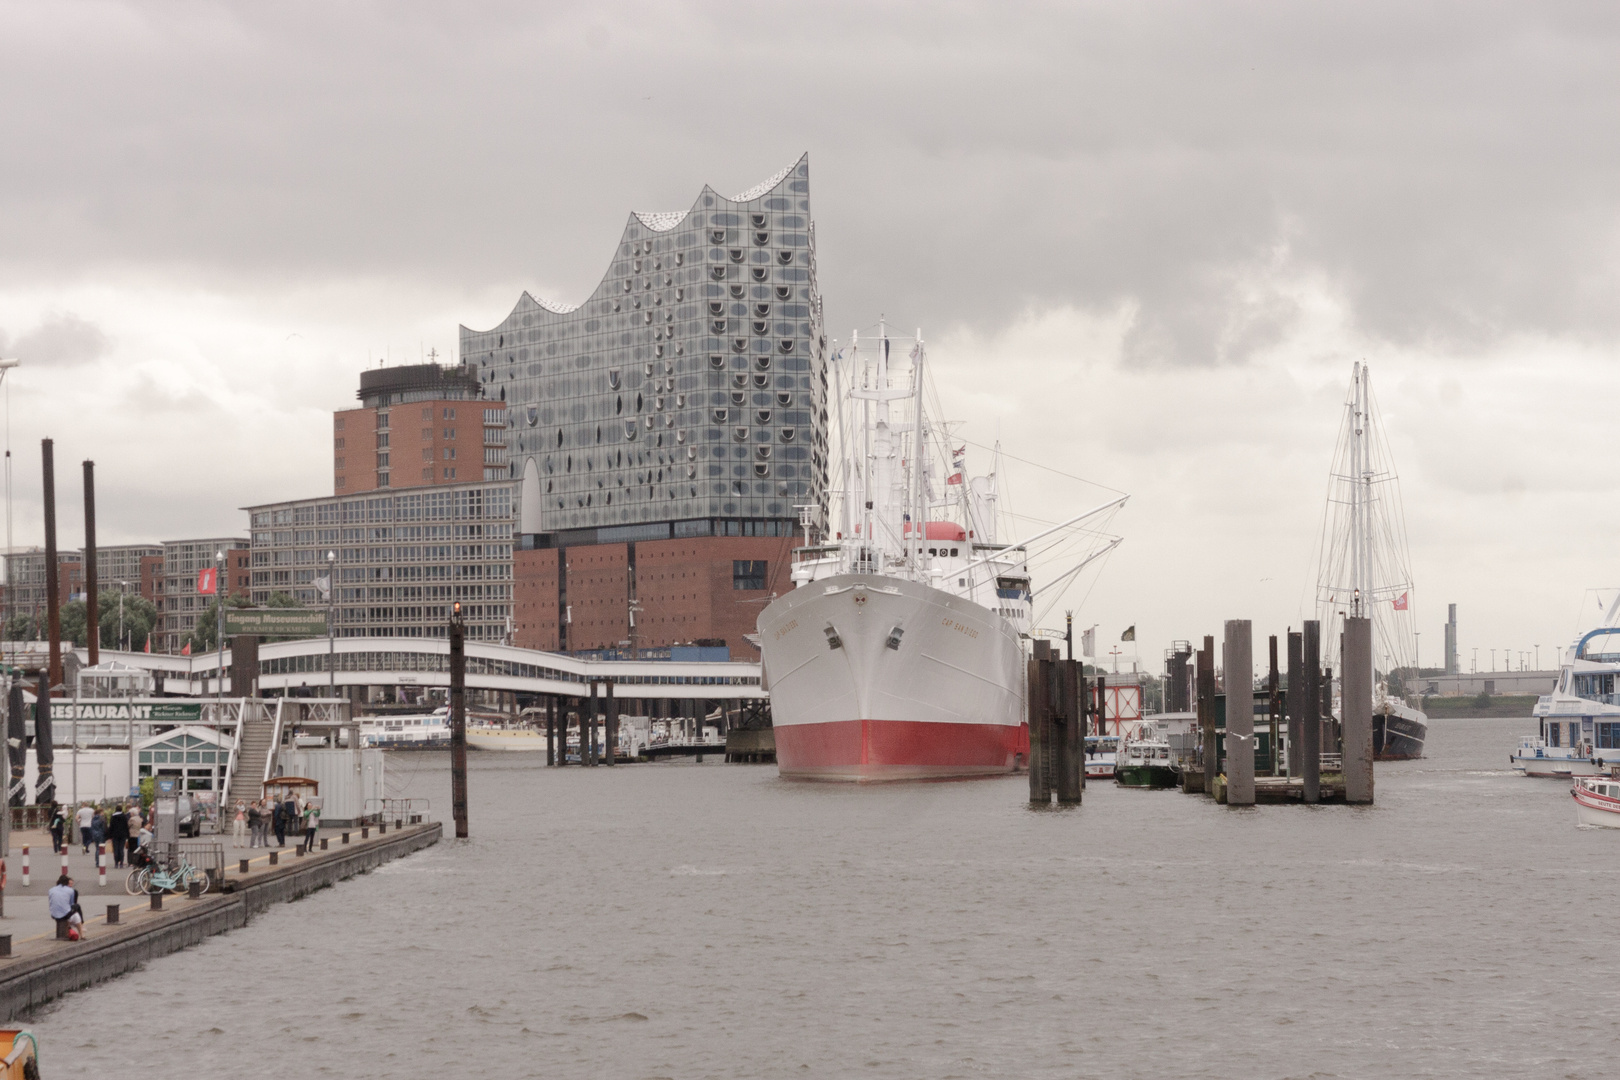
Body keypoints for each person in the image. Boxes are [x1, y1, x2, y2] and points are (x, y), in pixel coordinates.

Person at [47, 874, 86, 941]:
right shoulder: (71, 891)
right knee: (76, 912)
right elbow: (71, 904)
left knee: (73, 912)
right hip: (65, 914)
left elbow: (50, 902)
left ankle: (72, 927)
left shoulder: (51, 890)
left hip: (54, 914)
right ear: (67, 882)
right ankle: (82, 933)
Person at [108, 804, 130, 869]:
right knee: (121, 849)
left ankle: (116, 863)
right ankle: (121, 863)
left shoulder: (113, 817)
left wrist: (109, 836)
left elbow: (111, 827)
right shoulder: (124, 816)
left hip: (115, 835)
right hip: (123, 835)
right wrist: (128, 835)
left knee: (116, 849)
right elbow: (126, 826)